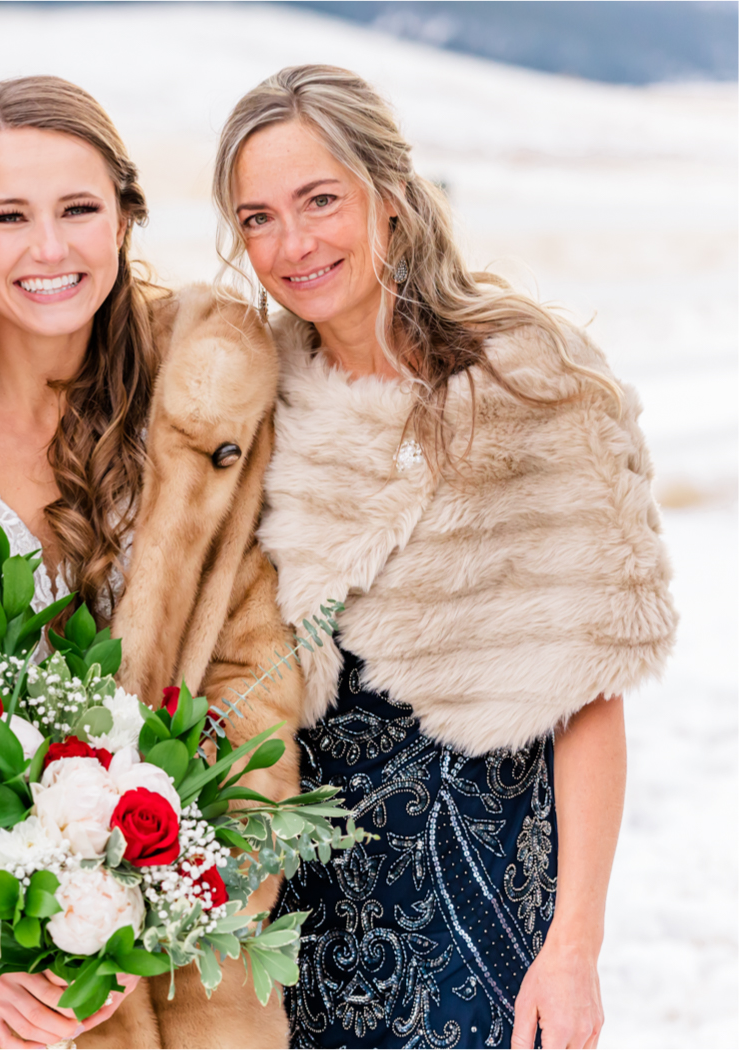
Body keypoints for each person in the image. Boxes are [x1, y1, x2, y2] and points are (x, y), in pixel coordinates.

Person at [0, 75, 302, 1050]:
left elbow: (251, 688)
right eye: (9, 216)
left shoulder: (203, 424)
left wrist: (145, 919)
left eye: (79, 209)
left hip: (174, 989)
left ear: (124, 217)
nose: (49, 249)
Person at [212, 65, 678, 1049]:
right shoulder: (248, 398)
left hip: (485, 912)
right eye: (257, 218)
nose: (292, 244)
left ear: (389, 190)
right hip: (288, 923)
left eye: (319, 200)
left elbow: (590, 698)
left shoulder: (534, 384)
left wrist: (574, 948)